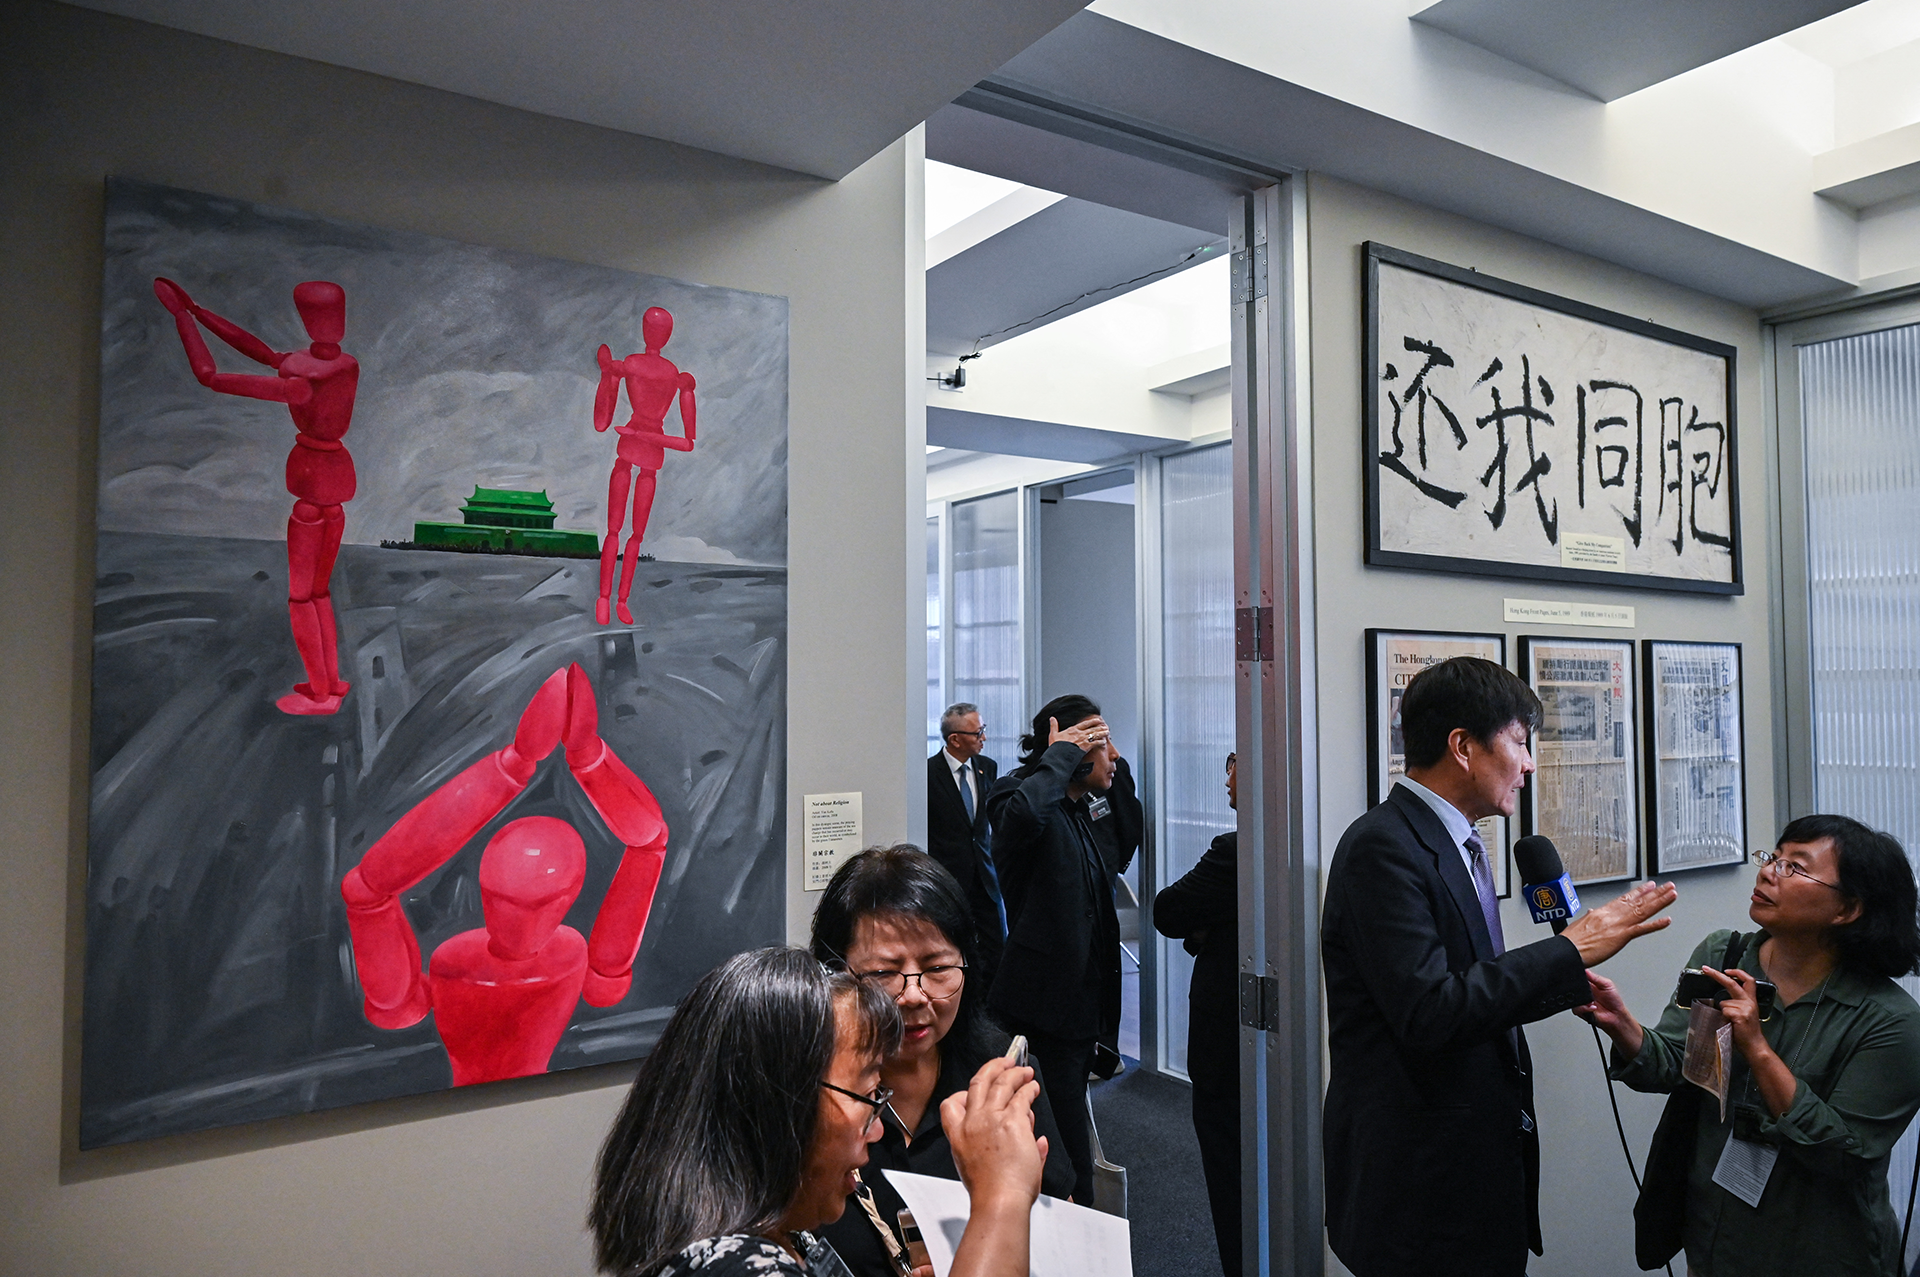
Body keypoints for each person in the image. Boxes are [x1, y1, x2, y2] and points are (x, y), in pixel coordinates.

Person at [1320, 656, 1678, 1277]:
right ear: (1463, 746)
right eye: (1519, 742)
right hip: (1418, 1186)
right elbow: (1430, 1011)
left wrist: (1565, 974)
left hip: (1472, 1171)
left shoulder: (1459, 840)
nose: (1529, 764)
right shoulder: (1383, 846)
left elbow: (1468, 988)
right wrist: (1570, 950)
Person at [1579, 815, 1920, 1277]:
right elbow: (1679, 1065)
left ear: (1847, 909)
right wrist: (1622, 1025)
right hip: (1714, 1237)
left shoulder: (1892, 1020)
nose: (1767, 872)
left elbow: (1843, 1154)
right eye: (1773, 857)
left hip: (1822, 1252)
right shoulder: (1725, 956)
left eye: (1795, 867)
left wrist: (1758, 1050)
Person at [589, 947, 1047, 1277]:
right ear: (777, 1106)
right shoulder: (736, 1268)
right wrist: (1002, 1195)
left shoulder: (779, 1235)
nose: (875, 1131)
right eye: (868, 1094)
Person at [810, 845, 1076, 1277]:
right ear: (834, 974)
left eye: (937, 968)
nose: (914, 995)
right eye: (884, 973)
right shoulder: (811, 1092)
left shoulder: (1001, 1074)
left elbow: (1063, 1225)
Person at [153, 276, 358, 714]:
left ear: (308, 319)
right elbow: (263, 353)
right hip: (336, 484)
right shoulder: (345, 365)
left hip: (312, 488)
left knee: (301, 596)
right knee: (319, 593)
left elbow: (211, 377)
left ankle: (321, 695)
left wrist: (182, 319)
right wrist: (198, 310)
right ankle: (330, 683)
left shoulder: (304, 378)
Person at [985, 693, 1122, 1205]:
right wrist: (1062, 752)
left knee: (1072, 1139)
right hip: (1044, 1013)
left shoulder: (1077, 808)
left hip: (1081, 1012)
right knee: (1064, 1159)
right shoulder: (1014, 794)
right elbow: (1022, 819)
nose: (1114, 756)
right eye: (1102, 744)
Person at [1151, 750, 1240, 1277]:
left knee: (1232, 1181)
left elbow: (1166, 912)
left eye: (1235, 763)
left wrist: (1205, 928)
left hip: (1227, 1047)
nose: (1226, 776)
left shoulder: (1233, 852)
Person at [927, 704, 1006, 991]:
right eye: (978, 732)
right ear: (955, 739)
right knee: (954, 948)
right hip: (949, 878)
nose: (984, 737)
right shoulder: (928, 773)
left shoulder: (988, 767)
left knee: (996, 948)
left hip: (985, 876)